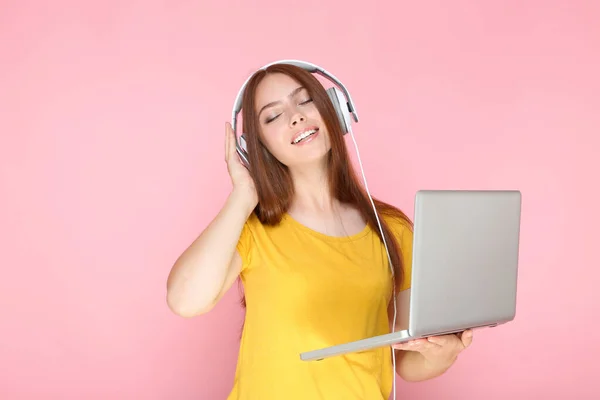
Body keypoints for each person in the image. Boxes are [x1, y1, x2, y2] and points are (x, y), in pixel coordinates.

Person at [166, 62, 473, 399]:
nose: (295, 117)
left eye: (305, 101)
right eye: (273, 116)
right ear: (257, 147)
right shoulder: (252, 230)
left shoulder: (392, 230)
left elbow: (409, 363)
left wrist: (443, 352)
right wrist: (242, 197)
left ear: (335, 111)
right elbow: (185, 300)